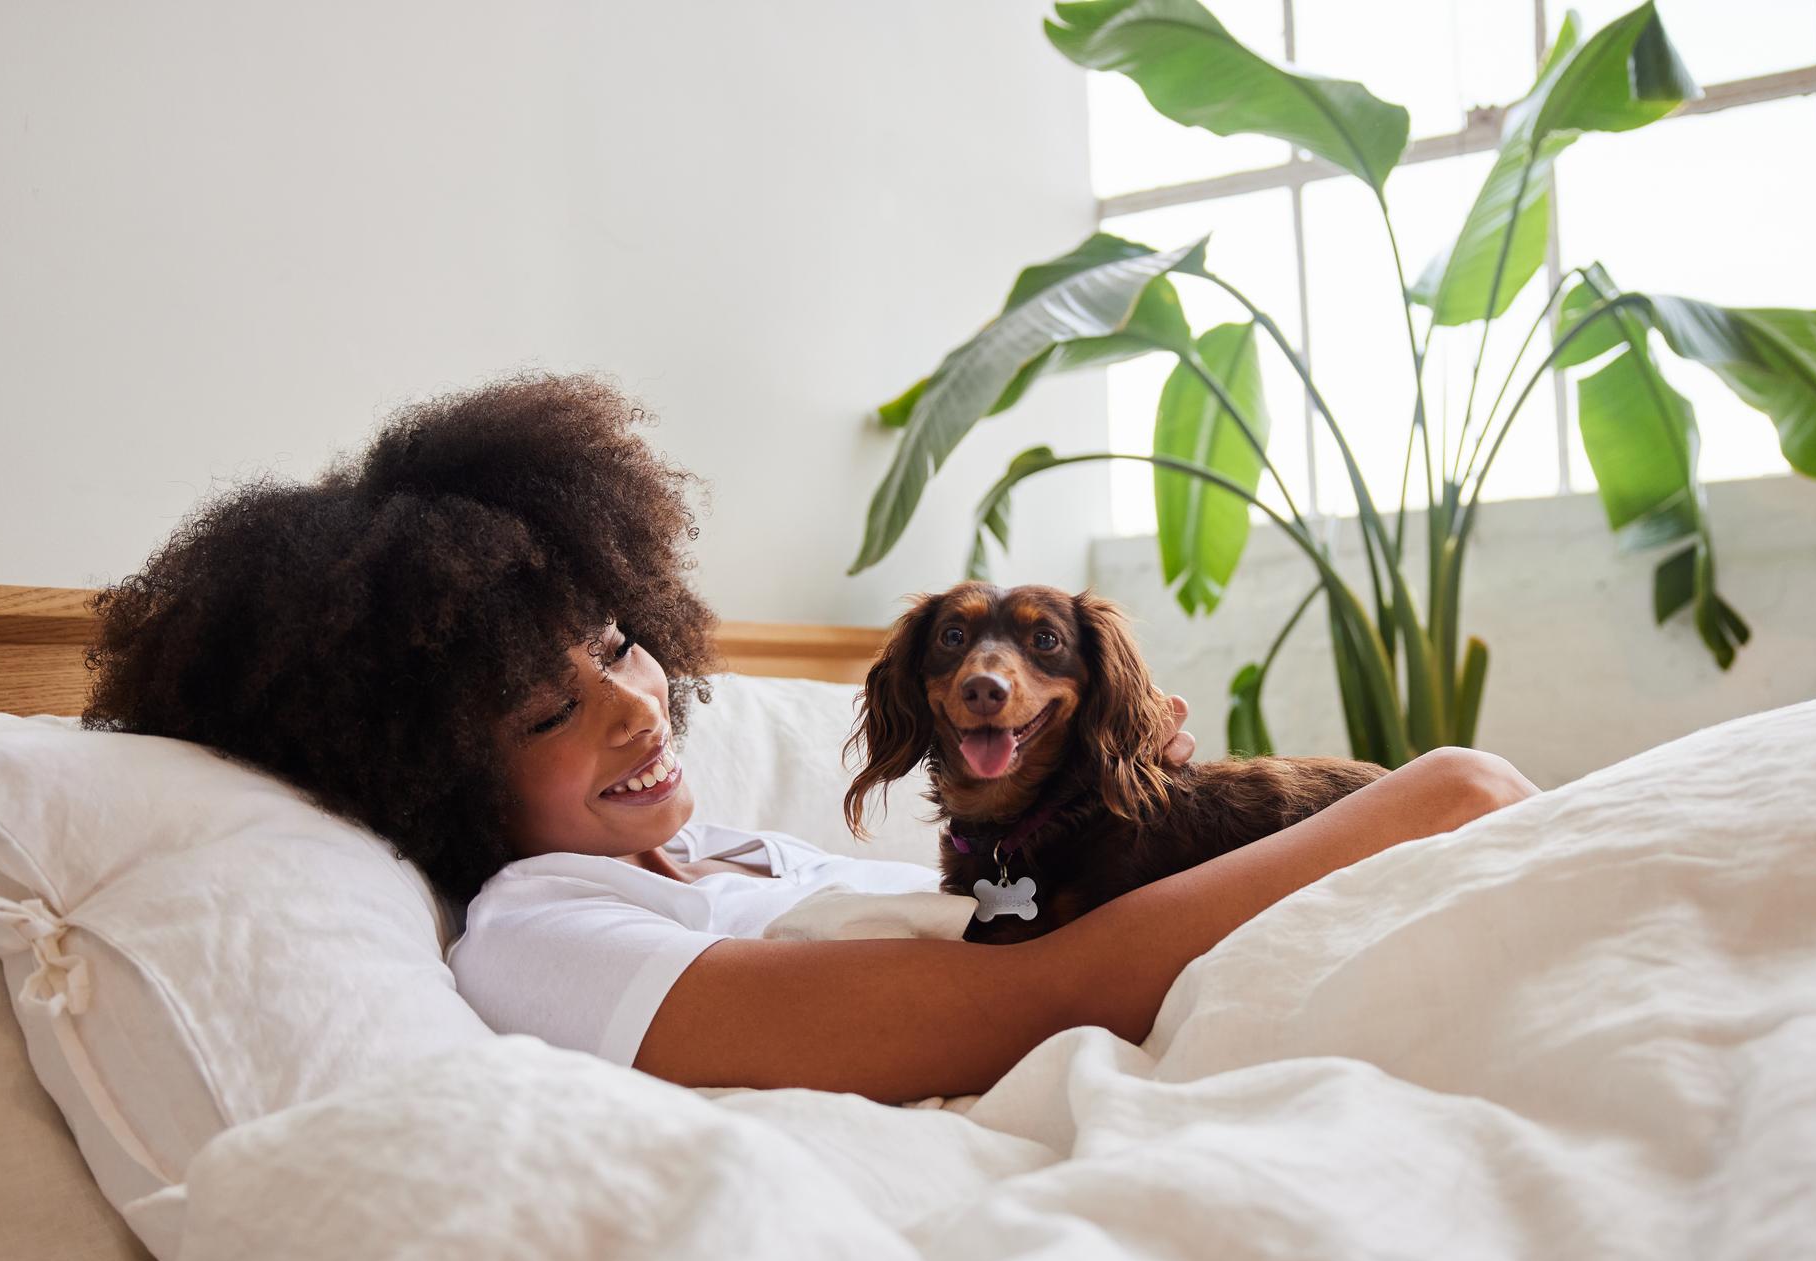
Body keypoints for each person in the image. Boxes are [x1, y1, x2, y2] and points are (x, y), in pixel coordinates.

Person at [85, 373, 1539, 1106]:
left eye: (616, 643)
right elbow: (1021, 999)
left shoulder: (727, 848)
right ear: (430, 772)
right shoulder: (541, 929)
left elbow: (1024, 912)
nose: (639, 704)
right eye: (547, 709)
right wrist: (1417, 800)